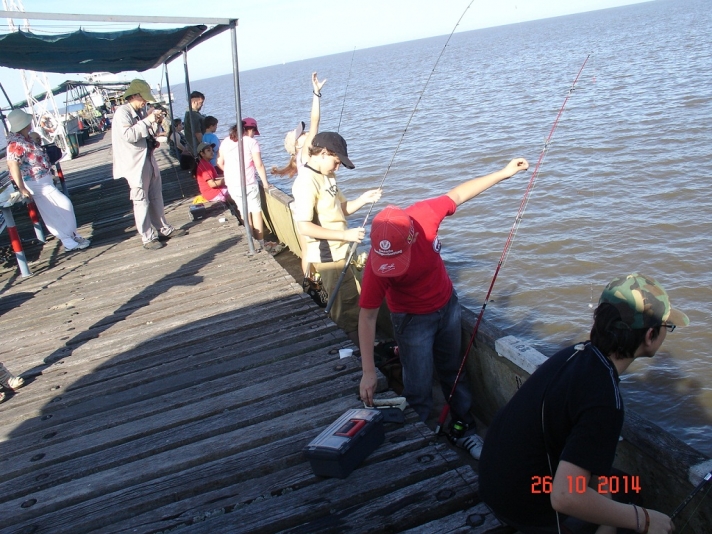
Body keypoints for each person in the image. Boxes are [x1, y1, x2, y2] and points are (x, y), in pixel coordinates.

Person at [478, 273, 685, 534]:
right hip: (526, 503)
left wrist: (606, 497)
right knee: (632, 499)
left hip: (496, 484)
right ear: (650, 335)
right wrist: (644, 519)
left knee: (622, 487)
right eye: (668, 327)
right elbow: (565, 496)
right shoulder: (606, 401)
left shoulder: (576, 354)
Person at [358, 158, 529, 452]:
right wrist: (368, 371)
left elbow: (460, 194)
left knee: (454, 371)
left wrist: (504, 173)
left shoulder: (425, 216)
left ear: (413, 236)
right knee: (418, 386)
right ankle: (422, 441)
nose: (391, 270)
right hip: (411, 320)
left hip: (447, 307)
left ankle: (465, 429)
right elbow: (367, 317)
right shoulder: (376, 267)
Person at [291, 131, 382, 346]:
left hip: (343, 250)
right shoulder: (306, 182)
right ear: (323, 153)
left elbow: (340, 209)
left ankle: (366, 345)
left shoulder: (327, 175)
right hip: (328, 256)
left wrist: (362, 199)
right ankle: (360, 354)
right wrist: (344, 234)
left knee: (356, 300)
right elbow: (304, 227)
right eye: (336, 161)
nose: (338, 166)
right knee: (347, 309)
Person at [111, 79, 187, 250]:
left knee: (155, 195)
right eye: (143, 98)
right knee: (141, 200)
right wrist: (148, 120)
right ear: (135, 95)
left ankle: (163, 228)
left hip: (148, 158)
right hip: (134, 164)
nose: (145, 101)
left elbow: (148, 133)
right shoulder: (122, 113)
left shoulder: (140, 111)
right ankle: (147, 237)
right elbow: (129, 135)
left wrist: (156, 121)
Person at [5, 109, 91, 252]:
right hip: (36, 182)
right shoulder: (16, 143)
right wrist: (21, 188)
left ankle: (71, 236)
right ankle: (68, 238)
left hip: (43, 180)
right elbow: (12, 164)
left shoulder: (24, 138)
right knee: (60, 207)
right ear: (24, 123)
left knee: (56, 209)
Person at [272, 72, 326, 282]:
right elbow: (315, 121)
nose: (305, 134)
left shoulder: (302, 158)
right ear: (296, 145)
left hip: (300, 208)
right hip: (311, 207)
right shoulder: (304, 154)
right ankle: (318, 284)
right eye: (301, 135)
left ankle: (311, 286)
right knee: (315, 250)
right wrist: (316, 94)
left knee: (307, 251)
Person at [217, 118, 272, 251]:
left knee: (243, 211)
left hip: (232, 184)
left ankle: (250, 240)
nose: (254, 134)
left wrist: (231, 173)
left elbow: (220, 162)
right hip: (248, 183)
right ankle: (261, 242)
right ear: (249, 130)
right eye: (254, 131)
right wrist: (265, 183)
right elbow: (258, 164)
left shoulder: (225, 141)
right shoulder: (251, 142)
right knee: (256, 211)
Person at [193, 141, 242, 223]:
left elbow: (215, 177)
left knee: (236, 192)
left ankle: (242, 216)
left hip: (215, 191)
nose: (212, 152)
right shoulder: (204, 166)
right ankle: (243, 218)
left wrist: (228, 175)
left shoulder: (206, 163)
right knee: (238, 196)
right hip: (212, 193)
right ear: (202, 154)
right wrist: (226, 180)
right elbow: (211, 184)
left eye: (212, 150)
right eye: (208, 150)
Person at [183, 90, 205, 156]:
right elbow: (198, 133)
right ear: (194, 102)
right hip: (197, 148)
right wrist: (205, 147)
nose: (202, 105)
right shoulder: (193, 115)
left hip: (192, 147)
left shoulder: (189, 113)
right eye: (201, 102)